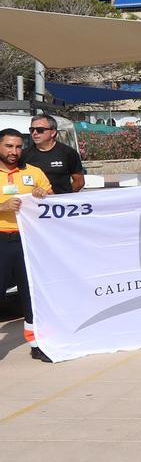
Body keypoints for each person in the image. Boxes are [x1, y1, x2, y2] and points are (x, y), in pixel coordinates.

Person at [0, 129, 51, 362]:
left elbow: (53, 204)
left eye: (19, 147)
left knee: (31, 294)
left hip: (28, 241)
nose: (14, 152)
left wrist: (44, 194)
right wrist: (2, 207)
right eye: (9, 146)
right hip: (1, 241)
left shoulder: (34, 172)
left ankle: (36, 343)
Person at [24, 114, 84, 194]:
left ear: (53, 133)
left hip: (60, 203)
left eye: (40, 130)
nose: (35, 133)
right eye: (32, 130)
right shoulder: (24, 154)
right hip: (34, 204)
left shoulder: (68, 153)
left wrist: (64, 196)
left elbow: (79, 182)